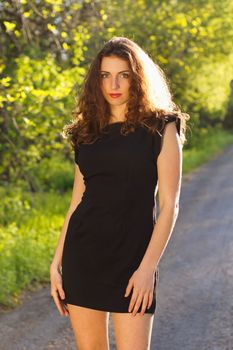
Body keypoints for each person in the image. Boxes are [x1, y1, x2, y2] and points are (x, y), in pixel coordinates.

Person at [50, 36, 189, 350]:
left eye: (123, 74)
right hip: (83, 258)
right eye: (105, 75)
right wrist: (56, 263)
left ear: (136, 78)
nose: (113, 84)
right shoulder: (85, 132)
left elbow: (169, 205)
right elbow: (77, 202)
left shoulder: (161, 127)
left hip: (134, 261)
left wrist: (147, 269)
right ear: (96, 80)